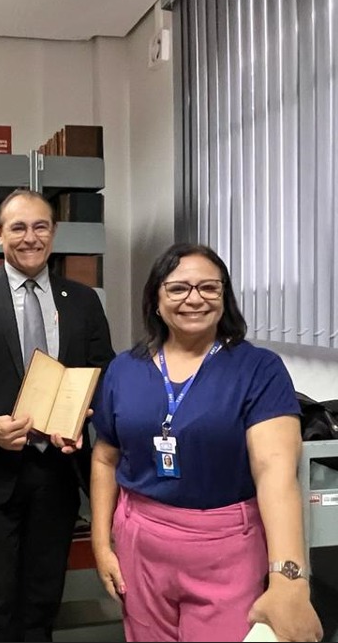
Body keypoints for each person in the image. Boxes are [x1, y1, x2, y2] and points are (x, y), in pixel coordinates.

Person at [90, 242, 323, 643]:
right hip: (140, 540)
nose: (194, 298)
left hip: (227, 547)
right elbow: (105, 458)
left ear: (224, 298)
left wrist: (289, 578)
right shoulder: (124, 369)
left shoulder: (258, 369)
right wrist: (101, 543)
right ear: (156, 300)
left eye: (209, 288)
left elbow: (276, 473)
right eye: (178, 288)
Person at [0, 189, 115, 642]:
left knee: (41, 604)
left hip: (56, 474)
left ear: (53, 232)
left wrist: (81, 419)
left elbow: (103, 374)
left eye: (40, 227)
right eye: (18, 227)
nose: (30, 237)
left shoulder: (83, 300)